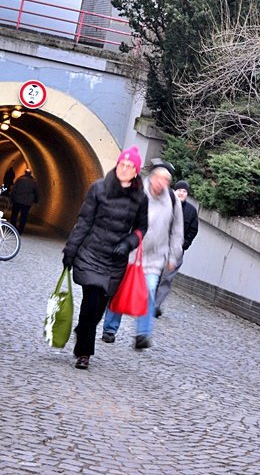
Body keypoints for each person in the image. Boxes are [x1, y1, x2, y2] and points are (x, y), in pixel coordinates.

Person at [62, 146, 148, 370]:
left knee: (99, 308)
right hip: (91, 252)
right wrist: (70, 250)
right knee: (91, 300)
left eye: (130, 167)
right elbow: (84, 221)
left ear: (136, 171)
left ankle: (82, 331)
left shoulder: (140, 198)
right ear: (117, 165)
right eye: (122, 165)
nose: (125, 169)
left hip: (115, 259)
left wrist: (128, 243)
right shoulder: (98, 189)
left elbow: (141, 228)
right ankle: (84, 353)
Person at [102, 164, 183, 350]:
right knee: (122, 289)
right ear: (152, 178)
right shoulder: (137, 192)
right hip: (130, 252)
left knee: (148, 291)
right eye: (160, 179)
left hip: (155, 257)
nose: (162, 184)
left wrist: (173, 256)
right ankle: (110, 329)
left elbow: (177, 231)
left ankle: (142, 334)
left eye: (167, 181)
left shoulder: (172, 200)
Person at [154, 179, 199, 318]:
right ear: (174, 191)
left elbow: (193, 229)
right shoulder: (166, 204)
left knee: (166, 278)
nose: (182, 193)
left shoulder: (191, 211)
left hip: (176, 250)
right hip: (159, 246)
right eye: (179, 190)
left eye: (185, 191)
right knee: (154, 275)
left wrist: (184, 245)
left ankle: (155, 306)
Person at [10, 168, 39, 235]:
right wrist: (36, 200)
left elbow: (14, 189)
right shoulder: (34, 182)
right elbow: (36, 192)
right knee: (24, 216)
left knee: (14, 215)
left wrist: (11, 198)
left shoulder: (19, 180)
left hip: (17, 200)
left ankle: (12, 228)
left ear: (25, 172)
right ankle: (20, 231)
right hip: (27, 202)